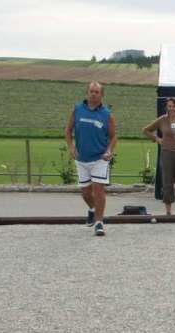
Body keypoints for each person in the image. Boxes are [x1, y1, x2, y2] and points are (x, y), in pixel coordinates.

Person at [64, 81, 117, 237]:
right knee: (85, 192)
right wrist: (71, 146)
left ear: (101, 95)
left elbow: (114, 138)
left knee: (98, 190)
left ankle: (99, 223)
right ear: (87, 93)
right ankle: (93, 209)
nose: (93, 94)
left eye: (97, 92)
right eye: (91, 91)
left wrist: (109, 151)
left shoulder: (107, 114)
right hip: (81, 158)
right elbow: (68, 130)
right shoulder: (77, 109)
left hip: (100, 158)